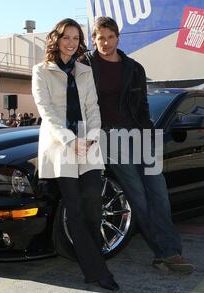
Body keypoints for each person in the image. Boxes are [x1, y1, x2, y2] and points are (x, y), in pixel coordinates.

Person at [82, 16, 195, 274]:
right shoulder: (84, 66)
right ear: (93, 39)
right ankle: (165, 253)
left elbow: (143, 107)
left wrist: (149, 136)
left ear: (118, 38)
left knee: (159, 193)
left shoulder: (134, 68)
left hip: (141, 135)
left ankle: (170, 250)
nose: (106, 43)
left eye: (111, 37)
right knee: (138, 195)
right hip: (110, 136)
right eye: (101, 38)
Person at [32, 18, 118, 291]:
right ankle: (97, 269)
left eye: (75, 38)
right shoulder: (41, 71)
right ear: (56, 39)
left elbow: (93, 107)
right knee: (76, 209)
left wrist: (91, 138)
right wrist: (70, 141)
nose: (71, 43)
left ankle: (92, 256)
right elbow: (47, 112)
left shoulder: (84, 70)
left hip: (88, 143)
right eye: (65, 37)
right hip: (60, 146)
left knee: (93, 200)